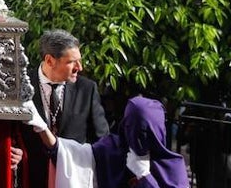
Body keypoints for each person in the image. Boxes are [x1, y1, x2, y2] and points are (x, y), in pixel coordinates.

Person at [26, 95, 187, 188]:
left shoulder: (172, 167)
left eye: (146, 132)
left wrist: (144, 177)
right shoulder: (110, 149)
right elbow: (67, 153)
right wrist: (42, 128)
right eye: (133, 128)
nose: (138, 137)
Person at [22, 30, 109, 188]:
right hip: (31, 178)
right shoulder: (22, 87)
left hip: (75, 178)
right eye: (72, 62)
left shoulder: (87, 89)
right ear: (50, 60)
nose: (79, 67)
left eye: (79, 61)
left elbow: (102, 140)